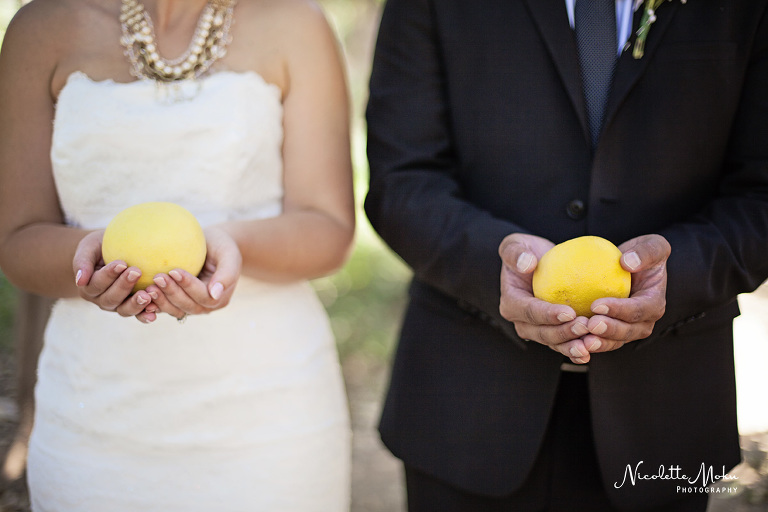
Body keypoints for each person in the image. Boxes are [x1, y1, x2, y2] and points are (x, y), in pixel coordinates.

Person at [365, 0, 768, 511]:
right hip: (465, 406)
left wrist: (678, 273)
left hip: (668, 411)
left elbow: (760, 196)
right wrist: (497, 267)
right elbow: (400, 183)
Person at [0, 0, 355, 509]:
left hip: (269, 411)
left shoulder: (296, 22)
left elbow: (330, 228)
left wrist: (229, 246)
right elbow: (17, 241)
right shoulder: (42, 27)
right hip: (93, 413)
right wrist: (88, 258)